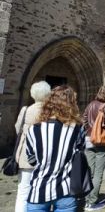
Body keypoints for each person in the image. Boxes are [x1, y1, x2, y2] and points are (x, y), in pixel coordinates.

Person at [25, 85, 85, 212]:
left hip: (38, 191)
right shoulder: (76, 129)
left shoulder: (34, 130)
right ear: (71, 104)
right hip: (66, 190)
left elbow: (31, 160)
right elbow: (79, 155)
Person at [14, 81, 51, 212]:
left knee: (23, 191)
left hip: (25, 156)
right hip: (45, 157)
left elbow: (18, 129)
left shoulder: (25, 110)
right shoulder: (50, 112)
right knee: (41, 191)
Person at [82, 84, 105, 211]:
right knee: (98, 173)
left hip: (88, 139)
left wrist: (89, 131)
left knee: (89, 171)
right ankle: (92, 202)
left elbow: (84, 119)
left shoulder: (91, 104)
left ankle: (86, 198)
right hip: (101, 142)